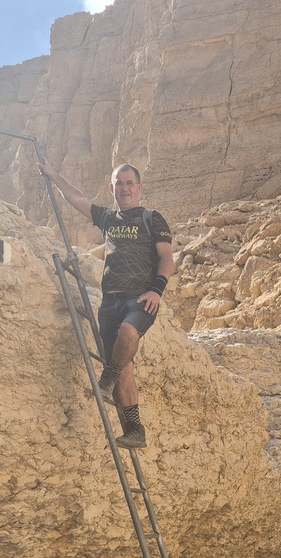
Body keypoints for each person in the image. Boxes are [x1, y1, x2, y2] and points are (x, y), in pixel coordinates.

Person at [38, 160, 174, 449]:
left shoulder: (151, 218)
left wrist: (157, 290)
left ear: (139, 187)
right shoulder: (109, 218)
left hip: (141, 299)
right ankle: (135, 429)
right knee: (125, 368)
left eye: (129, 183)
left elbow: (166, 258)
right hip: (110, 303)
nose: (124, 188)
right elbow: (77, 198)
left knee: (128, 333)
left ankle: (108, 375)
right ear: (112, 189)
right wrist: (54, 175)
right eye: (119, 184)